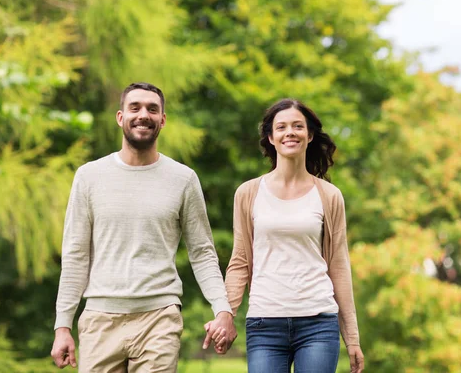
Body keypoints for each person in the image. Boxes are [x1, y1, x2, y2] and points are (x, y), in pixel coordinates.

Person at [50, 82, 236, 372]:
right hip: (100, 318)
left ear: (162, 120)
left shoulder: (183, 179)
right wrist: (63, 325)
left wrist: (222, 308)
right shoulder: (89, 177)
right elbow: (75, 255)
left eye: (152, 109)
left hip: (159, 318)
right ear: (120, 117)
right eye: (134, 107)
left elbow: (202, 252)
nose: (143, 115)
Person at [222, 98, 365, 373]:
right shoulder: (248, 193)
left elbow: (339, 266)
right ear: (271, 137)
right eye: (282, 127)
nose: (290, 132)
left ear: (309, 135)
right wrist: (226, 313)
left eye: (298, 126)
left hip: (318, 322)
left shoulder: (329, 195)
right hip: (265, 323)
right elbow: (239, 260)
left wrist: (352, 338)